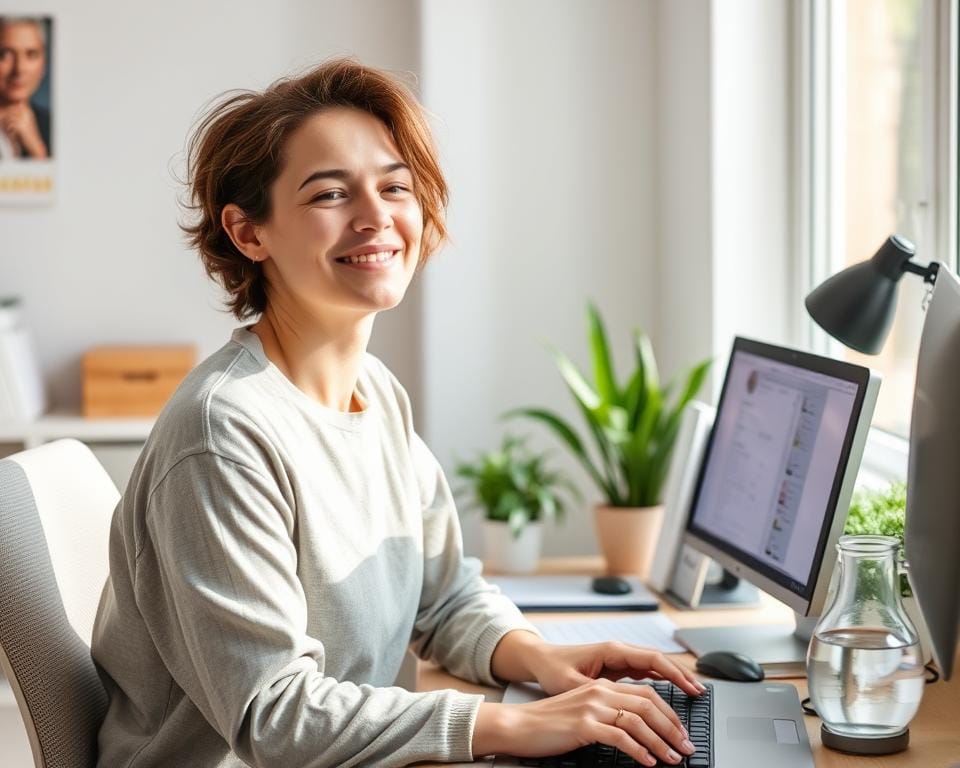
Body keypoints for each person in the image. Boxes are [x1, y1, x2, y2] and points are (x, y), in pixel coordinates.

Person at [91, 59, 705, 768]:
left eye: (395, 187)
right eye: (330, 193)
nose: (377, 217)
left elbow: (442, 596)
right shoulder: (223, 433)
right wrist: (501, 726)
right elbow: (274, 716)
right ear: (248, 233)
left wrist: (542, 662)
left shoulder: (375, 393)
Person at [0, 16, 50, 160]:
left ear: (43, 64)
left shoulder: (53, 124)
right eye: (5, 54)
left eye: (31, 54)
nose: (19, 69)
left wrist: (37, 152)